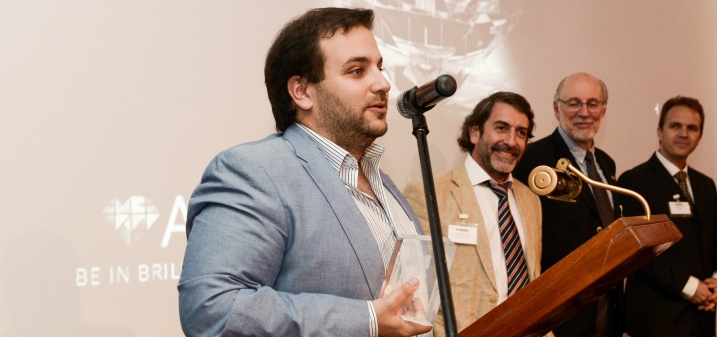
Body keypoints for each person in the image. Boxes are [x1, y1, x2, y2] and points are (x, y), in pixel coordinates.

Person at [177, 8, 433, 337]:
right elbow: (211, 309)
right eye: (357, 71)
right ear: (301, 91)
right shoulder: (255, 172)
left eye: (379, 67)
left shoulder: (384, 183)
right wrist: (366, 319)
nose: (383, 83)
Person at [404, 91, 545, 336]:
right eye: (501, 128)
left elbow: (534, 281)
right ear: (475, 132)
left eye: (521, 133)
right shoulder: (430, 193)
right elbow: (414, 288)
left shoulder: (531, 200)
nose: (511, 142)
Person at [513, 72, 623, 337]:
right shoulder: (532, 159)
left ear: (603, 110)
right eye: (574, 102)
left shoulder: (607, 164)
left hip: (608, 307)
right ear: (556, 108)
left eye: (593, 103)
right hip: (560, 311)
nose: (584, 112)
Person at [616, 96, 717, 337]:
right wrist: (691, 287)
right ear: (660, 131)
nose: (684, 134)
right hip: (656, 320)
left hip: (702, 317)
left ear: (700, 136)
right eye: (675, 126)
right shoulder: (634, 181)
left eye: (692, 128)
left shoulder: (705, 185)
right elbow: (641, 252)